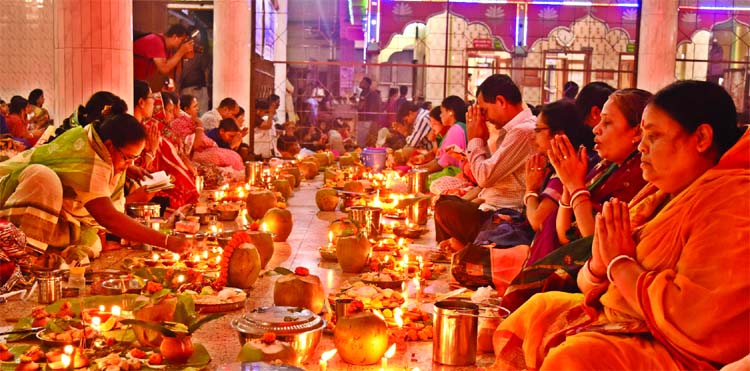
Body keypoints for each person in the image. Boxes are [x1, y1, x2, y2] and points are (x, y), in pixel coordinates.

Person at [491, 80, 749, 371]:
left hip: (677, 349)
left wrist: (619, 265)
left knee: (575, 358)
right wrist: (601, 266)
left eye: (652, 136)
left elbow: (698, 320)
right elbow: (593, 261)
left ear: (701, 137)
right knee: (537, 310)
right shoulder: (662, 189)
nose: (642, 147)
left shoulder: (734, 199)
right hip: (624, 313)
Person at [0, 113, 191, 256]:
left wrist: (127, 164)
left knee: (91, 245)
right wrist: (166, 241)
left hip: (62, 217)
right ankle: (22, 258)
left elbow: (107, 213)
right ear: (109, 145)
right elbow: (108, 217)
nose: (129, 165)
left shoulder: (102, 150)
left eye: (135, 158)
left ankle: (44, 254)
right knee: (44, 177)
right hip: (13, 195)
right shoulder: (89, 158)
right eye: (128, 158)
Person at [434, 74, 535, 246]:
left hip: (506, 215)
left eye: (484, 110)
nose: (485, 117)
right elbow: (487, 175)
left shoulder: (524, 131)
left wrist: (475, 139)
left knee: (445, 208)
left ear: (501, 101)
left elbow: (484, 177)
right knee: (445, 202)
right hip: (489, 205)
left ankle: (458, 249)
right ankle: (454, 247)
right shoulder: (510, 131)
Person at [132, 81, 199, 209]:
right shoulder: (142, 129)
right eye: (151, 97)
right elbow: (136, 170)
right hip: (137, 188)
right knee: (178, 194)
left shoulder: (147, 127)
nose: (154, 101)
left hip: (148, 181)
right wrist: (152, 150)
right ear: (141, 102)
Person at [133, 24, 195, 92]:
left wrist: (183, 56)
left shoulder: (168, 50)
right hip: (127, 77)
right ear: (175, 37)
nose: (182, 44)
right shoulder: (156, 41)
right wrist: (181, 52)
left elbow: (170, 71)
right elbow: (164, 68)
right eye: (182, 40)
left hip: (136, 80)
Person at [419, 96, 468, 174]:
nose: (440, 115)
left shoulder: (457, 129)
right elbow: (439, 159)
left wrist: (422, 172)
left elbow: (446, 161)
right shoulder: (454, 128)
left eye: (442, 112)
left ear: (450, 112)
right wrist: (419, 168)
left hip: (455, 173)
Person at [179, 31, 210, 115]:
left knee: (202, 113)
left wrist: (206, 85)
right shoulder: (179, 57)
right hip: (186, 89)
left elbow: (206, 70)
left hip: (200, 87)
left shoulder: (199, 55)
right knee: (188, 113)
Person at [356, 77, 382, 146]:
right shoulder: (374, 93)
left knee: (362, 141)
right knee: (371, 140)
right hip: (373, 119)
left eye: (362, 82)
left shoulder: (364, 92)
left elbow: (360, 106)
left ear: (366, 84)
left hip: (364, 119)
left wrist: (355, 106)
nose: (360, 83)